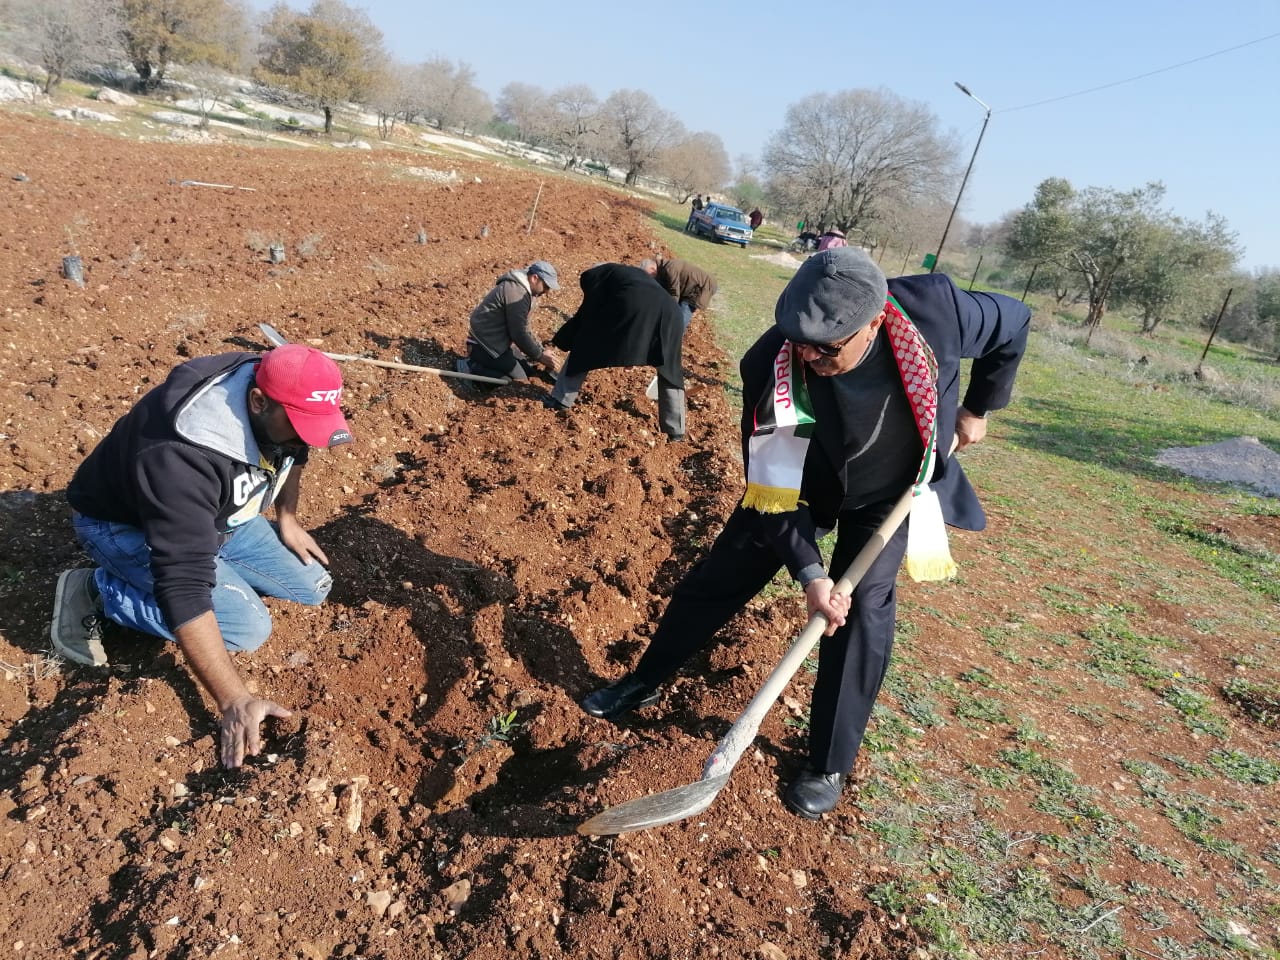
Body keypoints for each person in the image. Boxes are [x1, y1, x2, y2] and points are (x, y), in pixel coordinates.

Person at [579, 247, 1031, 819]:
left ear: (875, 321)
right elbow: (771, 488)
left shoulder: (939, 311)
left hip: (889, 492)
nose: (809, 356)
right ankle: (646, 679)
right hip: (800, 485)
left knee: (864, 607)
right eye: (800, 340)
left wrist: (979, 408)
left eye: (827, 346)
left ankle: (828, 762)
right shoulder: (769, 361)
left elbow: (1014, 322)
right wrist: (810, 573)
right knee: (724, 571)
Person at [50, 344, 355, 769]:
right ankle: (98, 590)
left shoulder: (275, 387)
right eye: (299, 423)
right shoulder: (180, 456)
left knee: (313, 586)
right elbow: (183, 584)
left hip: (222, 516)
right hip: (125, 527)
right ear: (257, 401)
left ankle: (215, 561)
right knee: (246, 628)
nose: (307, 435)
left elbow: (297, 448)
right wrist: (234, 700)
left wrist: (287, 518)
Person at [545, 262, 686, 441]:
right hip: (673, 314)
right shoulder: (628, 275)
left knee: (585, 343)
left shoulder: (593, 276)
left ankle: (560, 399)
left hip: (637, 305)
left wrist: (565, 338)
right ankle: (676, 430)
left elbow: (586, 315)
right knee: (670, 369)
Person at [458, 261, 561, 381]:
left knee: (528, 371)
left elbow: (525, 327)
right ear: (534, 278)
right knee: (517, 381)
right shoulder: (517, 293)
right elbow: (519, 333)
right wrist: (540, 356)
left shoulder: (526, 291)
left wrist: (540, 351)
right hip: (483, 344)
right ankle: (470, 367)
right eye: (546, 286)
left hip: (498, 342)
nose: (547, 292)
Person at [639, 256, 718, 329]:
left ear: (652, 269)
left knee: (682, 313)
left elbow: (674, 292)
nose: (649, 277)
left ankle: (675, 338)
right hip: (691, 287)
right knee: (676, 312)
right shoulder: (661, 270)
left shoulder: (669, 268)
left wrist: (669, 310)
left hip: (703, 286)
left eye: (648, 274)